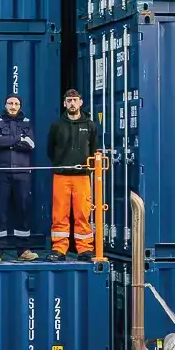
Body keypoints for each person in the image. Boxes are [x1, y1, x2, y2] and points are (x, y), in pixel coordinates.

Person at [47, 88, 99, 262]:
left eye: (75, 100)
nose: (72, 103)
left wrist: (85, 168)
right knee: (59, 214)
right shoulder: (56, 125)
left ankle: (84, 249)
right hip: (61, 175)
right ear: (64, 103)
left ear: (81, 102)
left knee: (82, 214)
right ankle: (59, 249)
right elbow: (50, 150)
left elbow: (93, 149)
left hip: (82, 176)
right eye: (69, 100)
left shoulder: (90, 125)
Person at [0, 95, 38, 262]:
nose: (13, 106)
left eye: (16, 104)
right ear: (5, 105)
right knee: (0, 211)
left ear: (20, 106)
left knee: (23, 210)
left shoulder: (27, 122)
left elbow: (30, 144)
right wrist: (18, 140)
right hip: (1, 172)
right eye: (10, 103)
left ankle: (23, 250)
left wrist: (8, 142)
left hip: (22, 173)